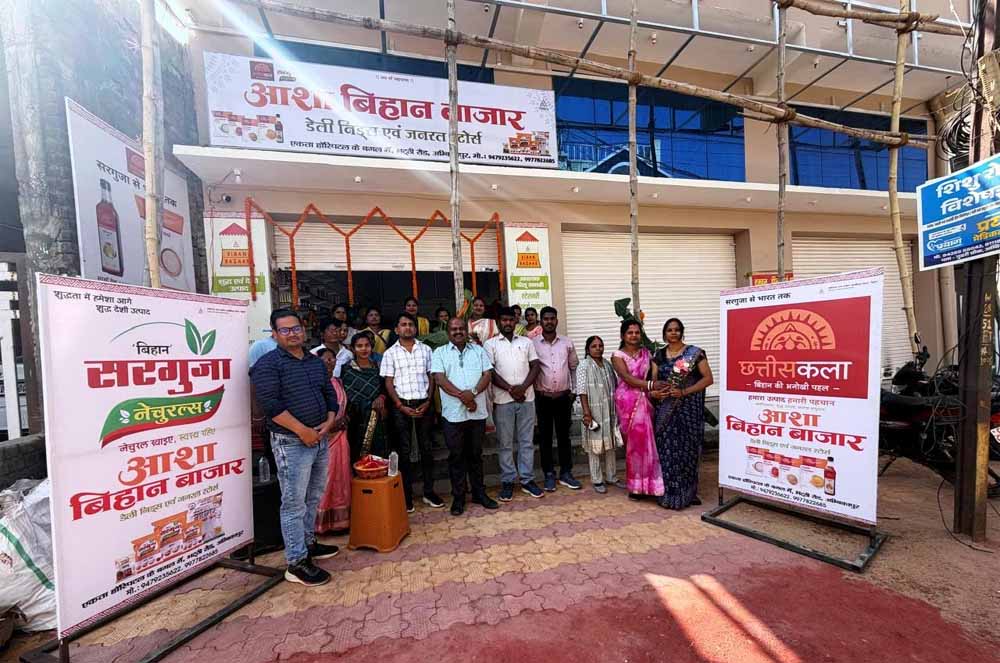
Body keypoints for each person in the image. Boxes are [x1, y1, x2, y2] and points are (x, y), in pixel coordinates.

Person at [250, 309, 340, 587]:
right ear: (274, 334)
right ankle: (296, 562)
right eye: (285, 330)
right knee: (293, 503)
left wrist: (329, 421)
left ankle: (309, 543)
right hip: (292, 443)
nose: (292, 334)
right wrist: (302, 431)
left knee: (313, 496)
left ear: (304, 330)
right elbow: (271, 406)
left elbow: (329, 394)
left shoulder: (313, 361)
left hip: (320, 437)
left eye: (296, 328)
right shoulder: (268, 365)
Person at [431, 318, 500, 516]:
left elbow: (487, 375)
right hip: (453, 415)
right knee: (456, 456)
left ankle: (479, 493)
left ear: (466, 331)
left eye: (461, 328)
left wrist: (473, 393)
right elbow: (440, 379)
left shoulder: (478, 350)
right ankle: (459, 497)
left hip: (477, 414)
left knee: (476, 455)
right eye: (454, 329)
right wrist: (464, 397)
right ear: (448, 332)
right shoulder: (440, 352)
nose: (458, 332)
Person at [381, 313, 444, 512]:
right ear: (396, 329)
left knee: (427, 449)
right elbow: (388, 382)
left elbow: (432, 377)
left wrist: (428, 401)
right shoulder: (390, 353)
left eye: (410, 324)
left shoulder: (426, 350)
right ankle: (406, 495)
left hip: (424, 404)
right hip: (401, 406)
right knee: (404, 451)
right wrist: (400, 406)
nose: (407, 327)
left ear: (415, 329)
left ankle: (428, 491)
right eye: (403, 324)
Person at [650, 318, 714, 510]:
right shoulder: (658, 355)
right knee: (667, 452)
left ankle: (688, 493)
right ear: (665, 333)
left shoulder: (694, 353)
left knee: (688, 452)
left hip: (688, 411)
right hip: (665, 412)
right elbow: (653, 382)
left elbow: (708, 379)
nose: (673, 333)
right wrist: (654, 393)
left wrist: (684, 392)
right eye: (669, 330)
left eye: (677, 330)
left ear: (682, 332)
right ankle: (669, 493)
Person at [485, 307, 544, 501]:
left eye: (511, 320)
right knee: (505, 444)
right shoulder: (490, 344)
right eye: (504, 320)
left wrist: (523, 388)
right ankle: (508, 481)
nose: (508, 323)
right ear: (498, 322)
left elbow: (535, 366)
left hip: (527, 398)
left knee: (526, 442)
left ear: (515, 321)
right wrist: (511, 389)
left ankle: (527, 480)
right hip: (503, 401)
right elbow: (490, 372)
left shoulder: (526, 342)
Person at [611, 319, 664, 500]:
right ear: (623, 335)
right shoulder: (617, 355)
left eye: (636, 332)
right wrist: (651, 385)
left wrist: (655, 389)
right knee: (633, 446)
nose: (634, 336)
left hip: (646, 400)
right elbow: (626, 378)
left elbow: (653, 375)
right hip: (627, 403)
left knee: (648, 444)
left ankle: (651, 485)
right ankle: (635, 487)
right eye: (630, 332)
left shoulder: (647, 353)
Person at [532, 306, 582, 492]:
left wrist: (574, 392)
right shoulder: (532, 344)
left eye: (552, 318)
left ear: (557, 321)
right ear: (541, 321)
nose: (549, 322)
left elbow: (574, 368)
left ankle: (566, 473)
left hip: (563, 397)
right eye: (546, 319)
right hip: (542, 398)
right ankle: (549, 474)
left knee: (564, 437)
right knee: (545, 438)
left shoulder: (567, 343)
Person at [576, 335, 622, 494]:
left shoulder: (607, 364)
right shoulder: (584, 365)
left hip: (608, 411)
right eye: (594, 346)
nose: (598, 349)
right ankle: (597, 480)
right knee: (594, 447)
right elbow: (581, 390)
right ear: (588, 349)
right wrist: (587, 413)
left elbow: (615, 386)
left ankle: (611, 476)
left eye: (600, 346)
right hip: (592, 411)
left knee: (610, 445)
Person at [314, 348, 351, 534]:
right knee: (325, 479)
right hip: (325, 437)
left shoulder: (338, 381)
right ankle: (320, 524)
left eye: (332, 359)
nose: (330, 362)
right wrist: (331, 425)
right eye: (326, 359)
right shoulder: (314, 384)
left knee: (341, 477)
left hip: (341, 436)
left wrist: (344, 419)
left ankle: (340, 522)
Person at [342, 331, 388, 462]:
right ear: (352, 348)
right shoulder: (347, 369)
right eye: (359, 346)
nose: (364, 349)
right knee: (358, 453)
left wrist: (381, 398)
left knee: (379, 452)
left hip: (379, 416)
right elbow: (347, 395)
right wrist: (370, 404)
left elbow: (384, 388)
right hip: (357, 419)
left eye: (367, 345)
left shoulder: (378, 367)